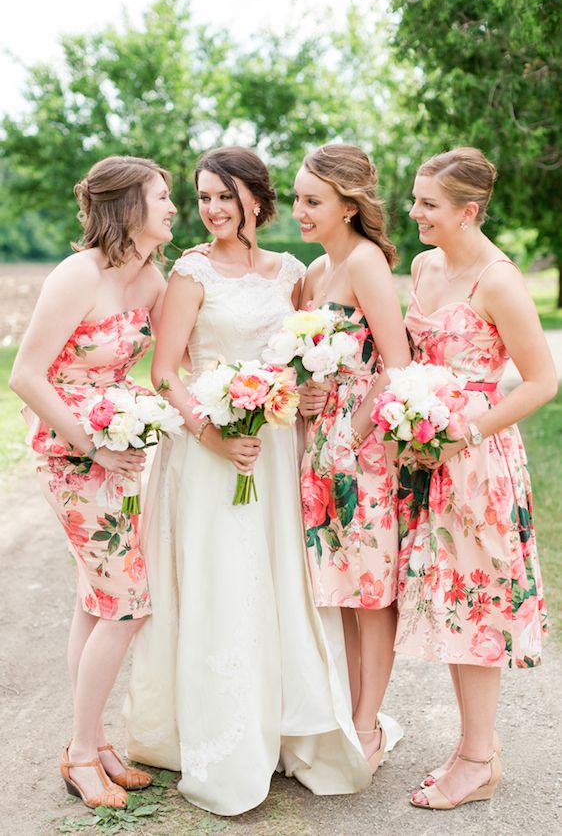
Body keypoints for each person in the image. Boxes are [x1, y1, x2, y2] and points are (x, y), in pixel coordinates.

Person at [123, 146, 373, 816]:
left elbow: (300, 353)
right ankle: (223, 741)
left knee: (276, 579)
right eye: (202, 198)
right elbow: (166, 370)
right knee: (221, 583)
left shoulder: (292, 272)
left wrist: (310, 392)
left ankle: (287, 727)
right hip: (211, 451)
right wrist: (212, 432)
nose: (212, 210)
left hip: (274, 443)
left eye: (224, 197)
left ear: (255, 199)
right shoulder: (190, 271)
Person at [9, 155, 176, 809]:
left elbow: (181, 350)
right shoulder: (79, 275)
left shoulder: (151, 275)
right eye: (161, 196)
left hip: (119, 447)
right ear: (127, 207)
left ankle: (95, 741)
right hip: (72, 453)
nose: (171, 206)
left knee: (96, 599)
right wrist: (92, 446)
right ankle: (82, 753)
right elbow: (26, 374)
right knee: (129, 602)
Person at [396, 146, 556, 809]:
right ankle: (472, 751)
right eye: (415, 198)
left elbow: (545, 380)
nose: (415, 213)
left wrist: (466, 429)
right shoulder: (423, 265)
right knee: (453, 609)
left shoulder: (497, 280)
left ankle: (478, 756)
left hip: (477, 463)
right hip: (424, 463)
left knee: (479, 608)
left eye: (428, 204)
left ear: (469, 211)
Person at [293, 143, 411, 772]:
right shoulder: (313, 274)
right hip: (319, 443)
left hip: (361, 450)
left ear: (348, 205)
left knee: (371, 589)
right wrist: (311, 399)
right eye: (297, 198)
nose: (300, 210)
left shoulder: (367, 263)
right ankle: (345, 706)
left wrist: (351, 433)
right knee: (337, 586)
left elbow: (397, 365)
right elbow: (308, 364)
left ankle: (367, 723)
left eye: (313, 201)